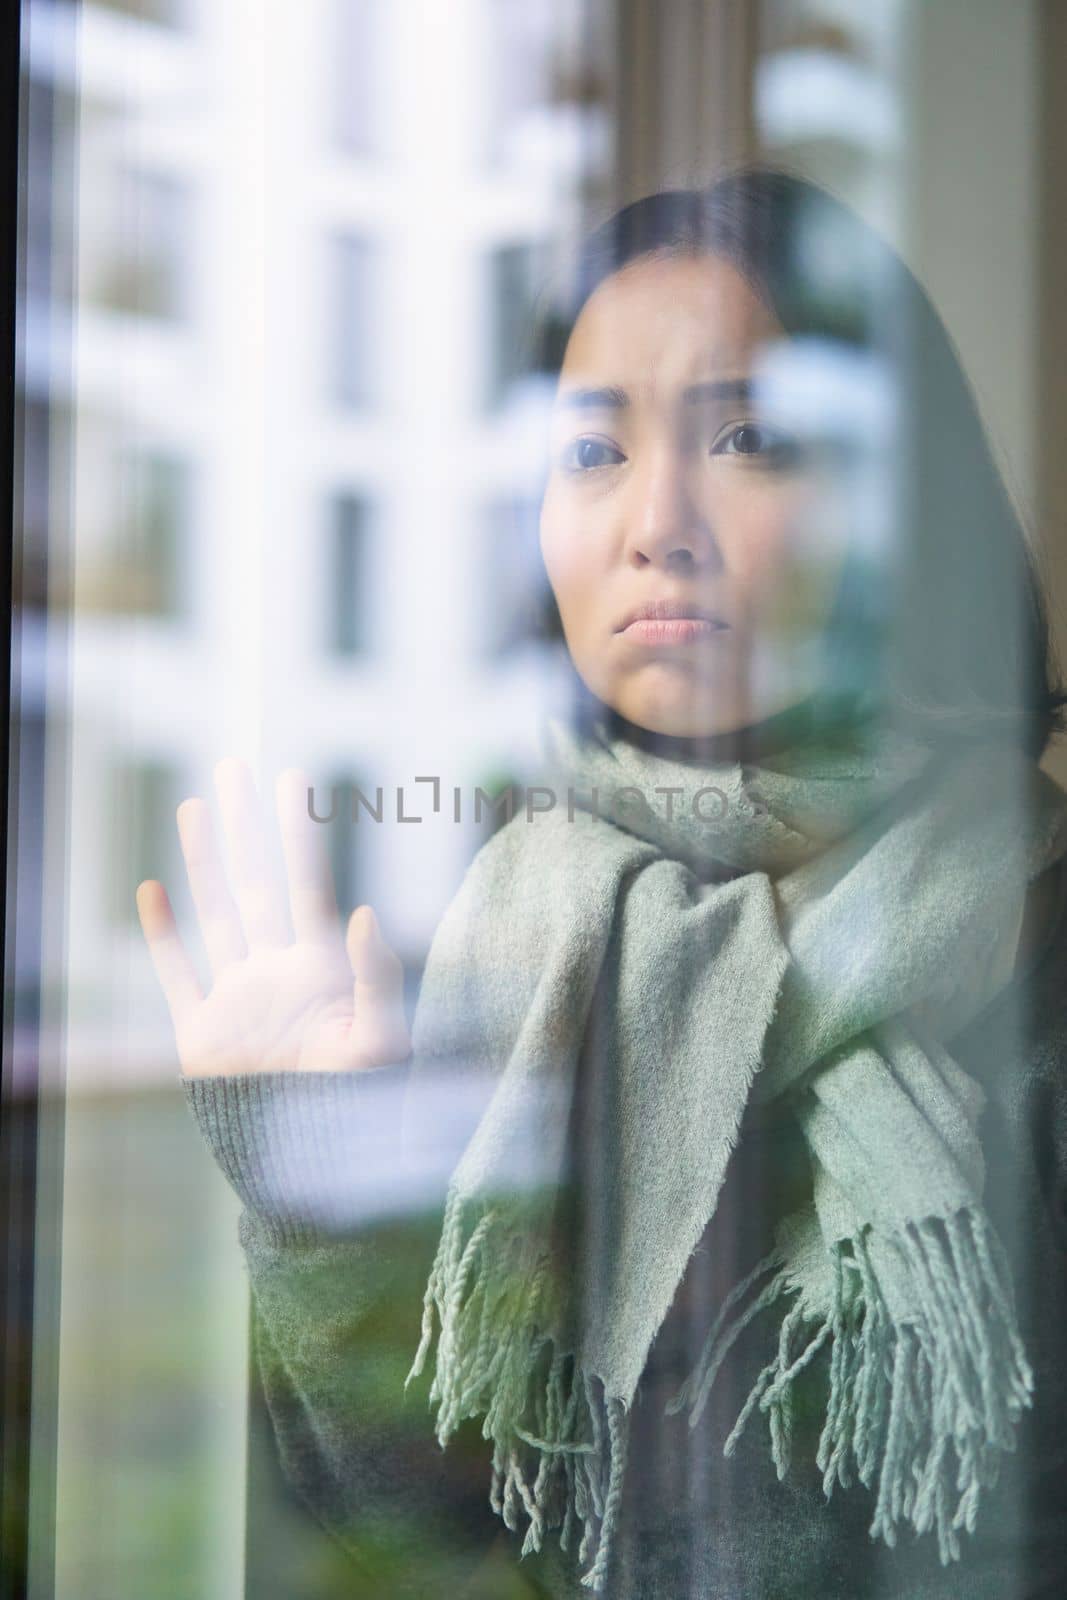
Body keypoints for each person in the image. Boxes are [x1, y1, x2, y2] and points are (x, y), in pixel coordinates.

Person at [137, 167, 1067, 1599]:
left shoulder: (1034, 932)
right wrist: (312, 1193)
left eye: (748, 434)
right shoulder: (530, 941)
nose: (656, 523)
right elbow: (428, 1511)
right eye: (592, 451)